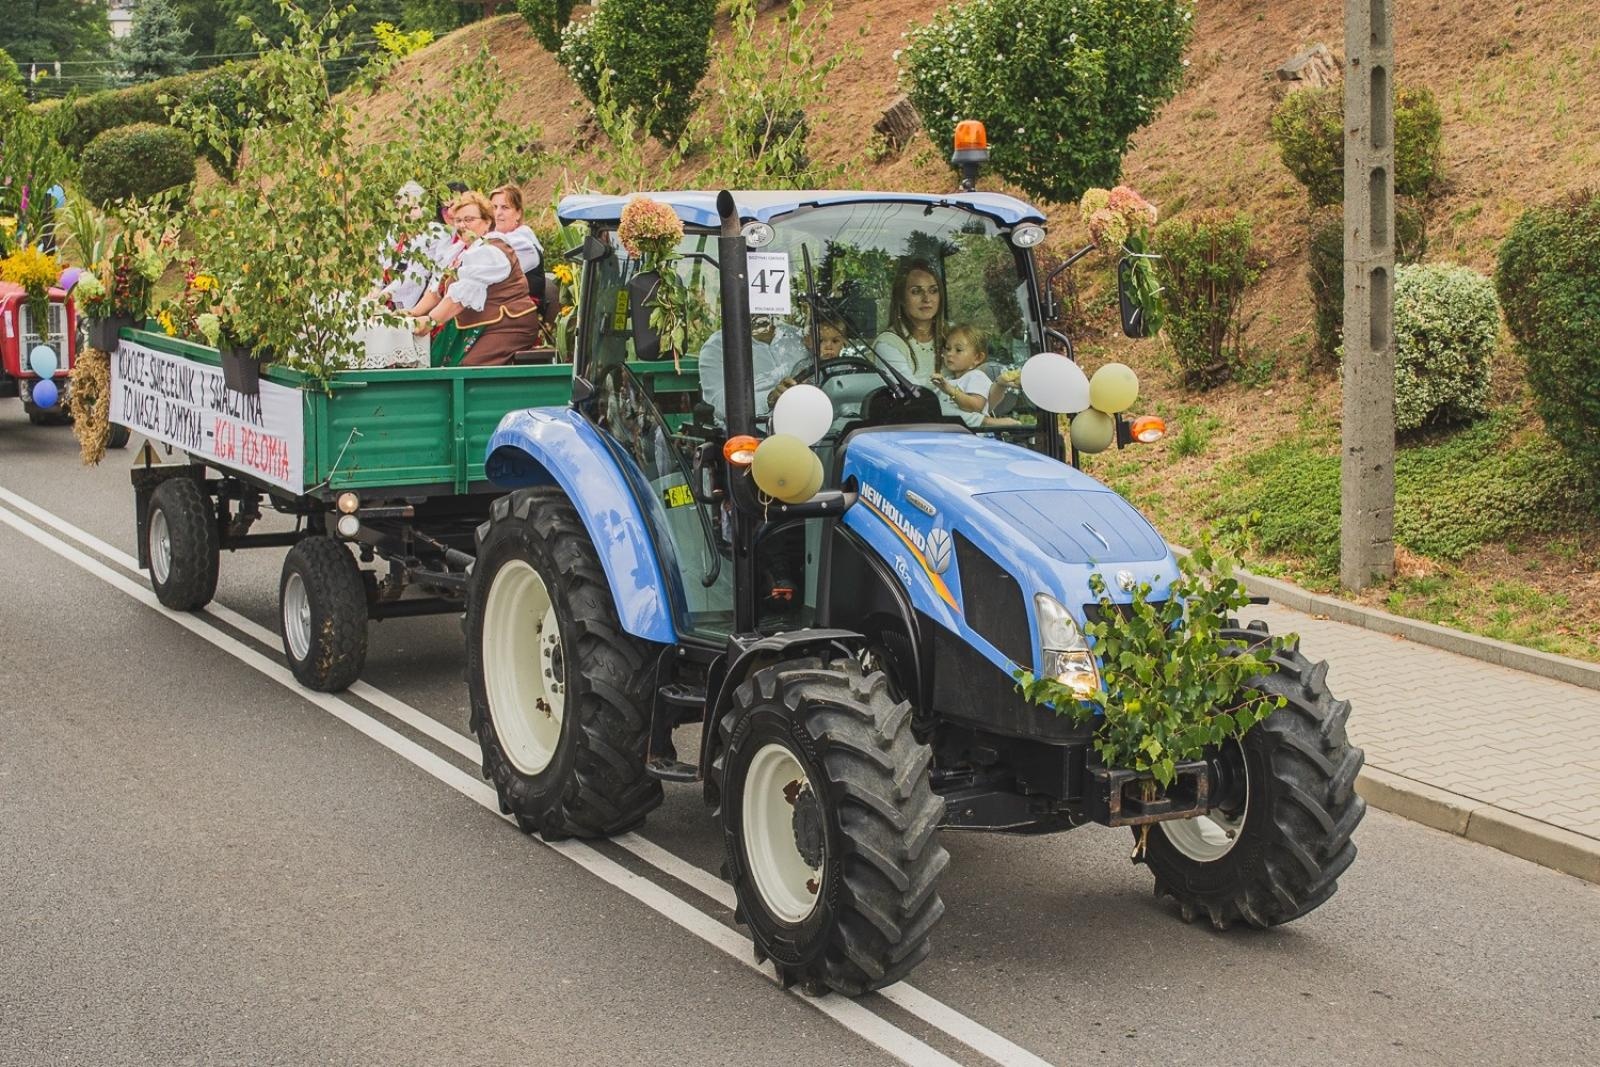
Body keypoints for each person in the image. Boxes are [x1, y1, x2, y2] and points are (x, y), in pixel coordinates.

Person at [407, 191, 542, 367]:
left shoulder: (492, 249)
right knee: (434, 359)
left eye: (469, 220)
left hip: (507, 326)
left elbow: (463, 294)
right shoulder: (459, 251)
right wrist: (413, 313)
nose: (463, 225)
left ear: (487, 222)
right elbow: (436, 292)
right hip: (477, 324)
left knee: (468, 369)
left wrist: (431, 320)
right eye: (458, 221)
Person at [696, 312, 808, 423]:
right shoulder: (718, 346)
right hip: (750, 432)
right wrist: (769, 398)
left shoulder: (797, 336)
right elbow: (719, 403)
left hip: (807, 425)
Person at [873, 258, 944, 384]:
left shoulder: (952, 334)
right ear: (901, 298)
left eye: (933, 290)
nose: (927, 298)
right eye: (916, 291)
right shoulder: (889, 344)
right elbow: (913, 397)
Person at [931, 324, 994, 428]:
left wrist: (950, 390)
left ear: (977, 358)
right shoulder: (949, 379)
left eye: (958, 350)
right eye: (947, 348)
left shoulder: (976, 376)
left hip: (972, 439)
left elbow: (976, 406)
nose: (950, 354)